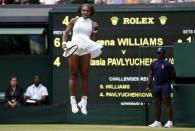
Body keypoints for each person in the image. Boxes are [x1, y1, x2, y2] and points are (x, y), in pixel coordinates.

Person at [62, 4, 103, 115]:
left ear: (90, 12)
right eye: (83, 10)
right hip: (74, 47)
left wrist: (95, 31)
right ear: (81, 11)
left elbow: (94, 40)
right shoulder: (74, 20)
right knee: (73, 74)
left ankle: (83, 102)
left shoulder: (92, 23)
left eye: (87, 11)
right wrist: (64, 43)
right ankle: (73, 102)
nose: (85, 12)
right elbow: (66, 33)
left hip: (85, 48)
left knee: (84, 76)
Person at [146, 47, 176, 128]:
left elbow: (173, 75)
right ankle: (157, 122)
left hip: (165, 85)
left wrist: (169, 81)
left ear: (163, 54)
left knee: (167, 103)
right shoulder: (153, 63)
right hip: (156, 86)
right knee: (156, 104)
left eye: (160, 53)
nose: (158, 54)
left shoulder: (167, 64)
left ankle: (170, 122)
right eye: (157, 53)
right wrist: (149, 85)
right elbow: (151, 74)